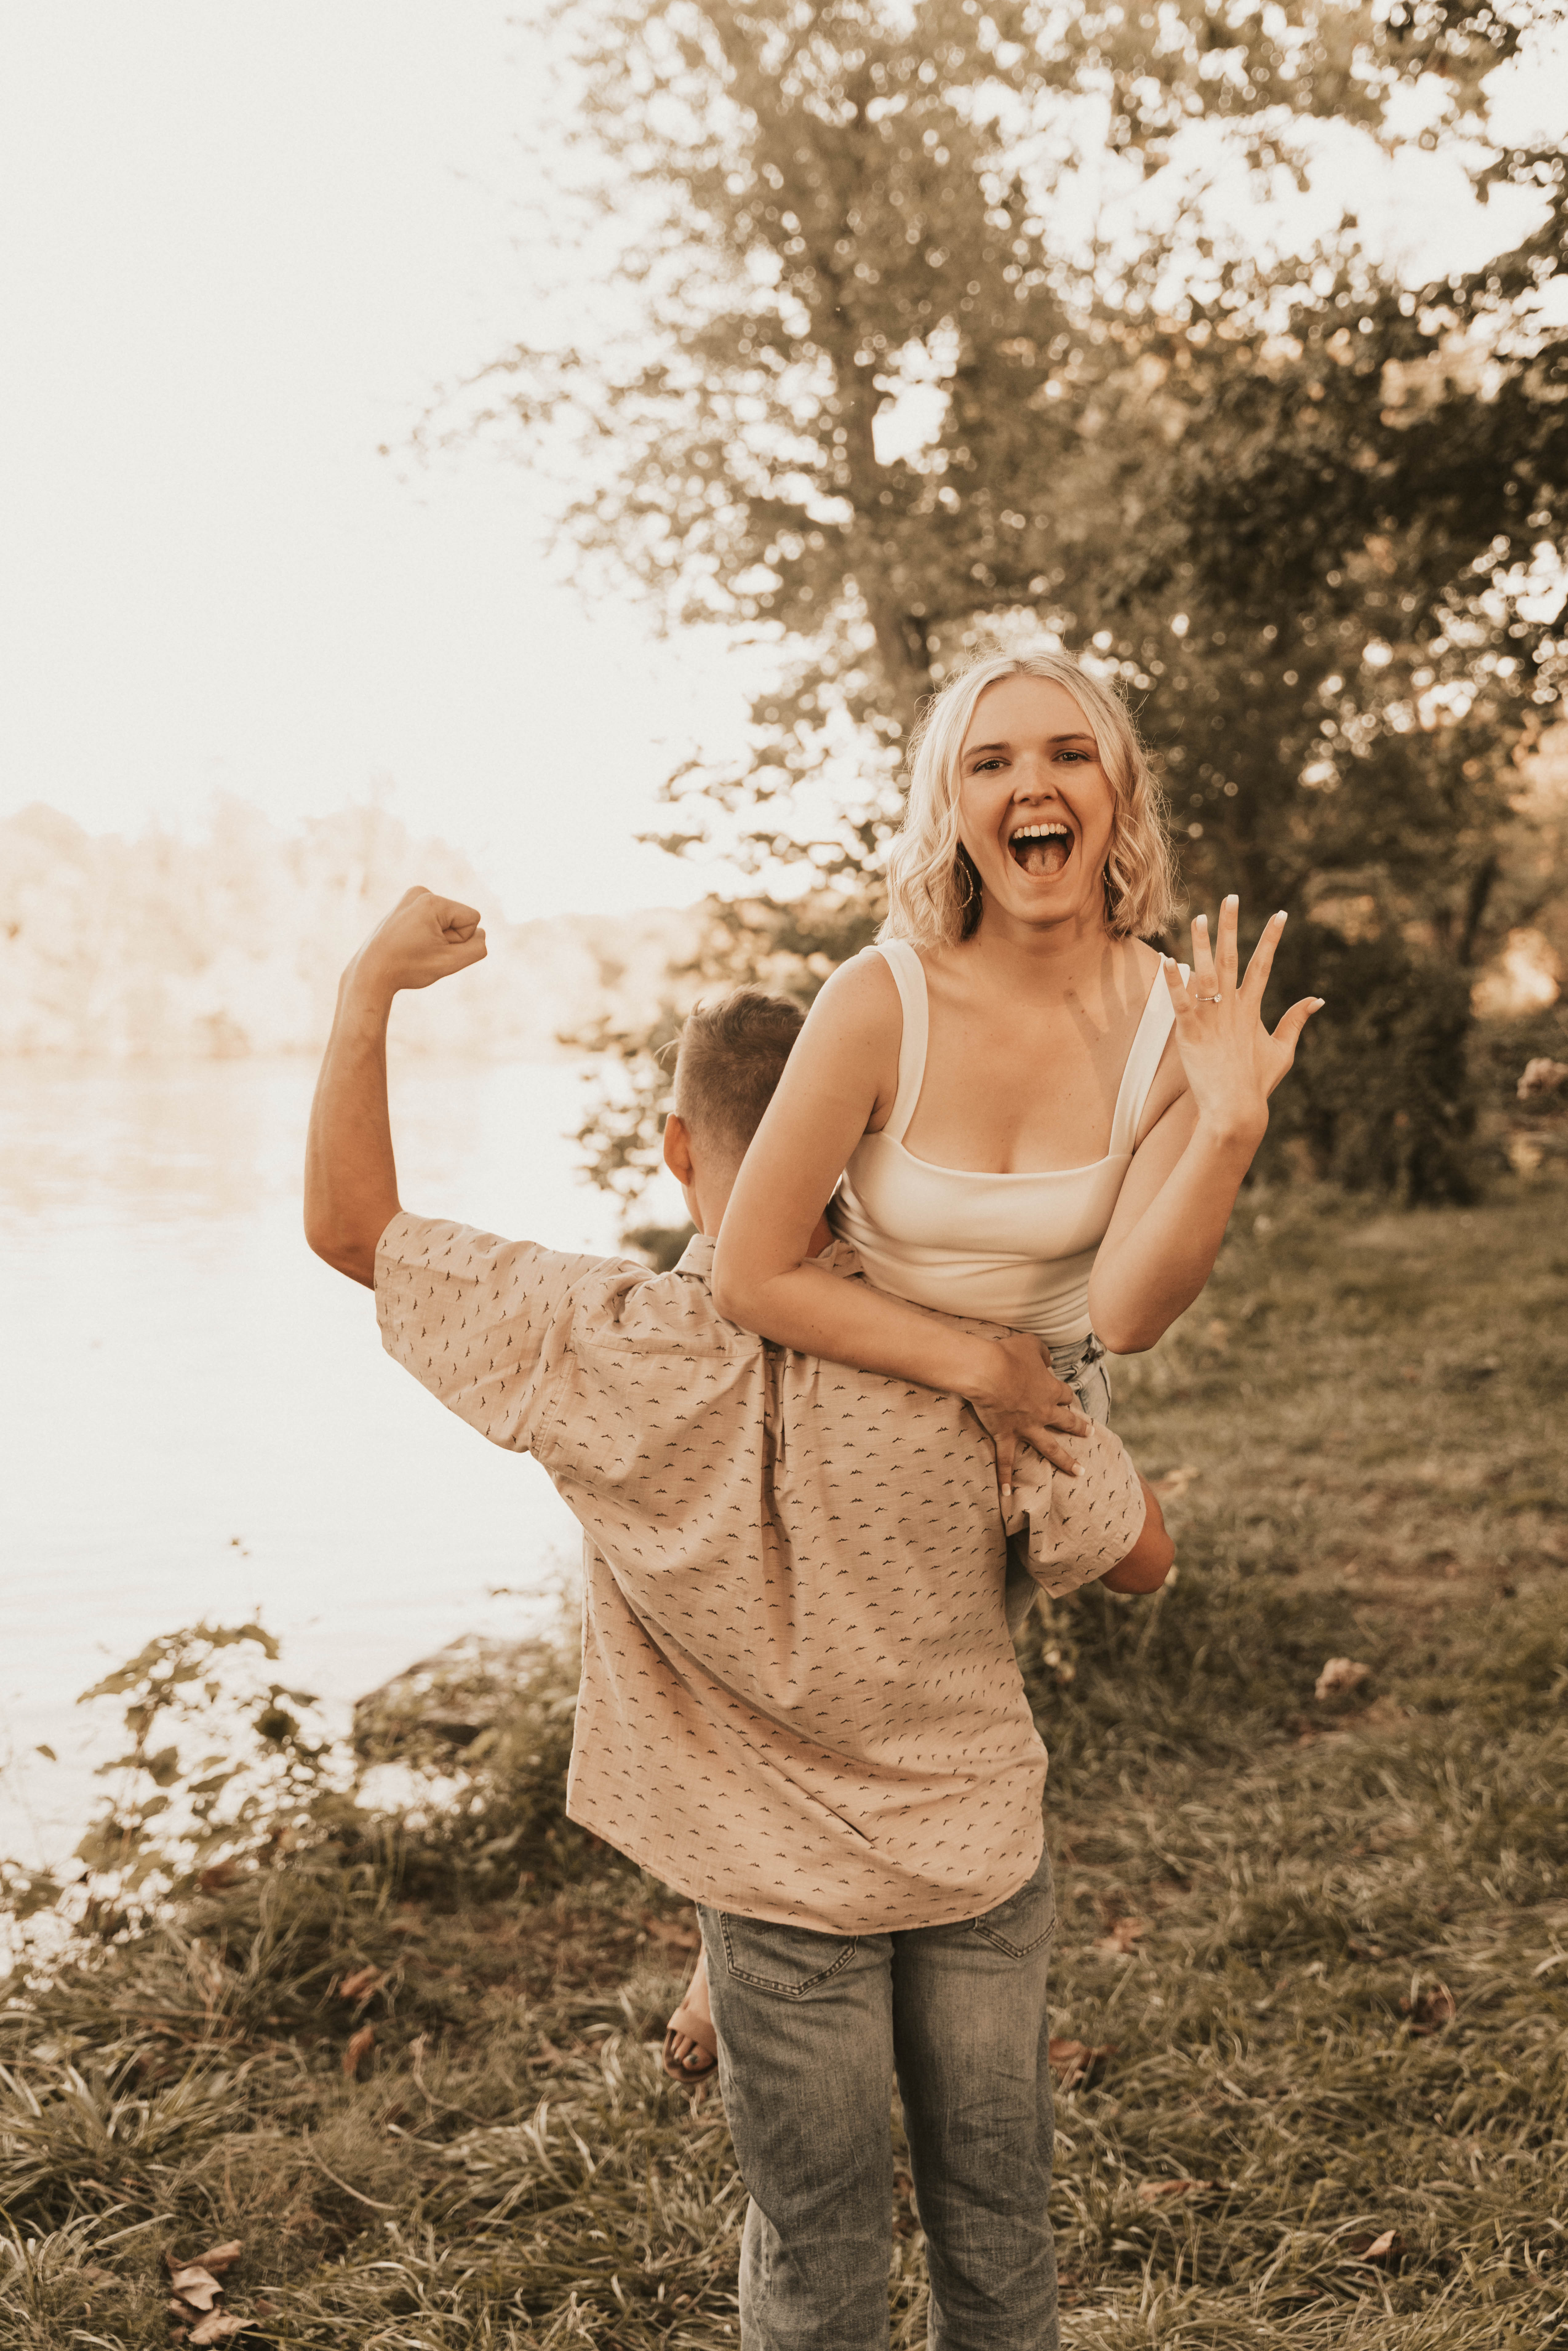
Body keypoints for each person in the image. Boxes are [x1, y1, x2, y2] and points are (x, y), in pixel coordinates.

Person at [304, 892, 1174, 2351]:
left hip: (772, 1895)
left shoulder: (602, 1345)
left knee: (816, 2257)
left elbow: (352, 1230)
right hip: (972, 1855)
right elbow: (1140, 1561)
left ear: (677, 1149)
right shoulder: (974, 1356)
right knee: (999, 2235)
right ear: (867, 1145)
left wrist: (367, 992)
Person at [664, 648, 1322, 2082]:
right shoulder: (876, 999)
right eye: (992, 760)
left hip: (1045, 1397)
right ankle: (751, 1936)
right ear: (953, 807)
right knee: (814, 1675)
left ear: (1117, 791)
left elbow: (1130, 1312)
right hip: (849, 1359)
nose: (1035, 783)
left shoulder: (1178, 1023)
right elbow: (753, 1272)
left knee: (1058, 1620)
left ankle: (878, 1939)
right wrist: (975, 1363)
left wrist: (1225, 1129)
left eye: (1069, 753)